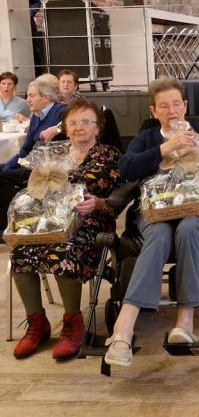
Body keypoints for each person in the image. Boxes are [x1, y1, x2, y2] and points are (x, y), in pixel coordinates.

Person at [104, 77, 199, 367]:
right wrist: (166, 148)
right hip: (157, 212)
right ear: (153, 112)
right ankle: (123, 329)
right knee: (159, 235)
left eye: (176, 104)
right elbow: (126, 169)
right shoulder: (148, 137)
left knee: (189, 228)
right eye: (163, 106)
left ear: (185, 106)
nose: (172, 110)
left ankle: (184, 323)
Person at [11, 100, 122, 360]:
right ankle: (37, 323)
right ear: (65, 128)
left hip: (89, 221)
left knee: (62, 250)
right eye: (72, 122)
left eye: (86, 122)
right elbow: (35, 188)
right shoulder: (53, 154)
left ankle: (73, 323)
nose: (78, 127)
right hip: (50, 219)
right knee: (20, 250)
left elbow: (116, 197)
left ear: (98, 128)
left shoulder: (108, 154)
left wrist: (98, 203)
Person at [0, 78, 66, 231]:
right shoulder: (36, 116)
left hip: (49, 169)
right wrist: (7, 167)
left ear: (46, 98)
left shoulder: (61, 110)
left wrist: (56, 129)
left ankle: (9, 223)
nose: (27, 99)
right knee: (3, 172)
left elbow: (77, 122)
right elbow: (25, 150)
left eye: (31, 95)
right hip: (31, 164)